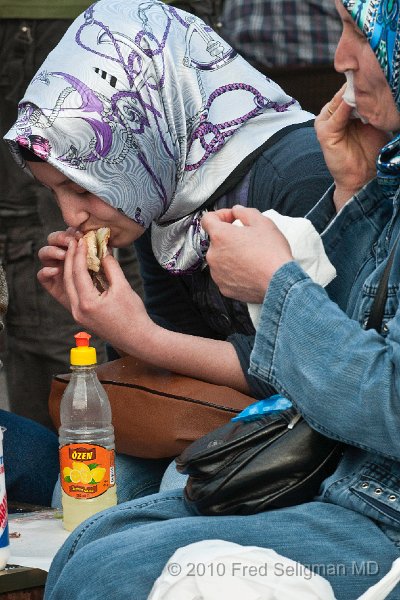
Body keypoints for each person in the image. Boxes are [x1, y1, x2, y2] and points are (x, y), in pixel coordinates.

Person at [15, 0, 400, 597]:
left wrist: (149, 334)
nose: (338, 57)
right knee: (87, 527)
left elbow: (332, 387)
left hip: (340, 470)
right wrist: (112, 313)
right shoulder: (168, 192)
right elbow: (188, 364)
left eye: (79, 183)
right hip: (308, 454)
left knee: (135, 514)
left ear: (142, 129)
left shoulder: (294, 169)